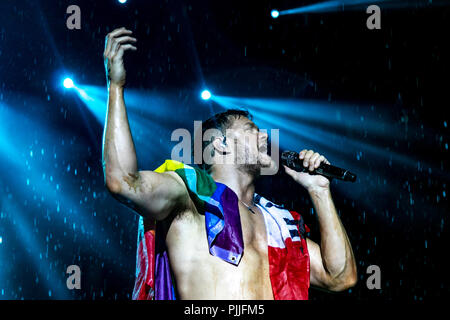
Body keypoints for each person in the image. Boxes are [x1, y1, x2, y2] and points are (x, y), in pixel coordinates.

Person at [102, 27, 357, 300]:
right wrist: (115, 88)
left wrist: (319, 190)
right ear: (219, 144)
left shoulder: (277, 221)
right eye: (251, 129)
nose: (263, 136)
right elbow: (124, 183)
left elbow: (341, 277)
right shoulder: (191, 193)